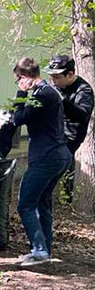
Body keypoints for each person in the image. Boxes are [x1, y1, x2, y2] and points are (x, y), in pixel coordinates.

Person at [0, 58, 70, 266]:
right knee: (42, 202)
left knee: (25, 204)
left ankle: (39, 251)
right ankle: (43, 249)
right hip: (57, 155)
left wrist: (21, 94)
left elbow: (19, 118)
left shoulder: (43, 94)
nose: (18, 84)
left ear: (25, 77)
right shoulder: (47, 92)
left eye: (18, 81)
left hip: (47, 157)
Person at [45, 55, 94, 199]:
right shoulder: (55, 85)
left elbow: (82, 115)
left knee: (50, 177)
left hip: (69, 139)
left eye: (57, 77)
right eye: (51, 77)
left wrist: (62, 100)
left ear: (70, 74)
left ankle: (66, 196)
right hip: (52, 134)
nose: (53, 81)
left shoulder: (83, 90)